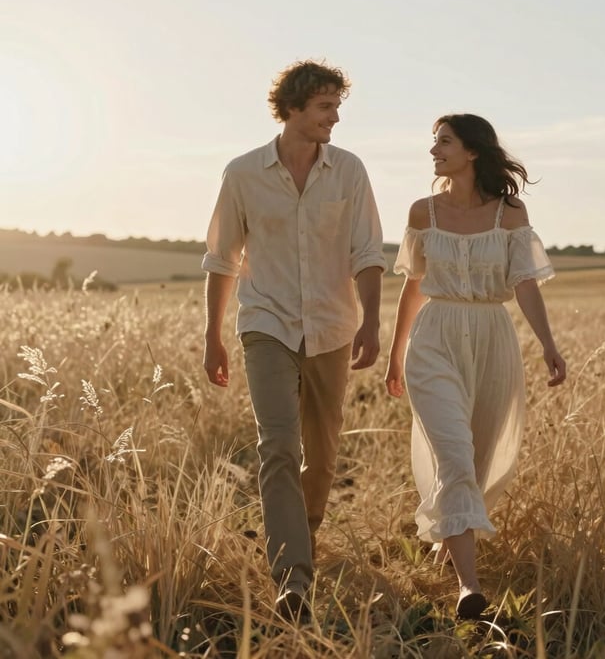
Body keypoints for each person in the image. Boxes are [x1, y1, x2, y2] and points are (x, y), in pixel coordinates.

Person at [202, 60, 386, 620]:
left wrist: (372, 322)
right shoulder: (242, 174)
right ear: (294, 109)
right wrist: (212, 334)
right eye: (326, 107)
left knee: (323, 458)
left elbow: (368, 252)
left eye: (337, 106)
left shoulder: (349, 171)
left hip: (333, 327)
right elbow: (221, 257)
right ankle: (293, 580)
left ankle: (299, 538)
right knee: (278, 445)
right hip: (266, 324)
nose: (335, 117)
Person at [385, 113, 566, 619]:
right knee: (456, 456)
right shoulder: (423, 212)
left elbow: (525, 282)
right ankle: (470, 588)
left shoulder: (510, 212)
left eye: (444, 141)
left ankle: (447, 548)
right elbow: (413, 286)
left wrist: (549, 344)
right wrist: (396, 355)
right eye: (434, 142)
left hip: (493, 339)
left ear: (472, 152)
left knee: (479, 463)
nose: (434, 151)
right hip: (434, 339)